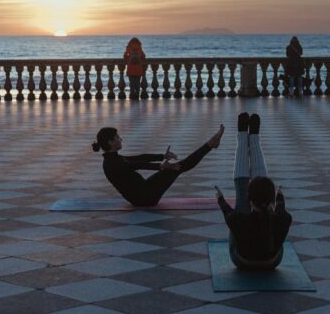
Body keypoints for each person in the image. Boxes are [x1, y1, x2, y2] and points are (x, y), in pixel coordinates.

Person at [214, 113, 292, 269]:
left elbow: (227, 211)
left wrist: (220, 199)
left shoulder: (239, 220)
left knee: (241, 198)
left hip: (242, 260)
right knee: (245, 193)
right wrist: (280, 198)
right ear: (272, 199)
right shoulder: (284, 219)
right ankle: (252, 138)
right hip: (272, 262)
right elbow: (280, 209)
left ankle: (244, 136)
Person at [93, 123, 223, 207]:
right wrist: (161, 166)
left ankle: (210, 145)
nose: (121, 139)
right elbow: (139, 165)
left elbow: (140, 158)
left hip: (144, 191)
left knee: (178, 167)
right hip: (144, 199)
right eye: (117, 138)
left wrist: (162, 157)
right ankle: (210, 145)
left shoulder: (114, 158)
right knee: (179, 167)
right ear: (110, 142)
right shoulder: (112, 163)